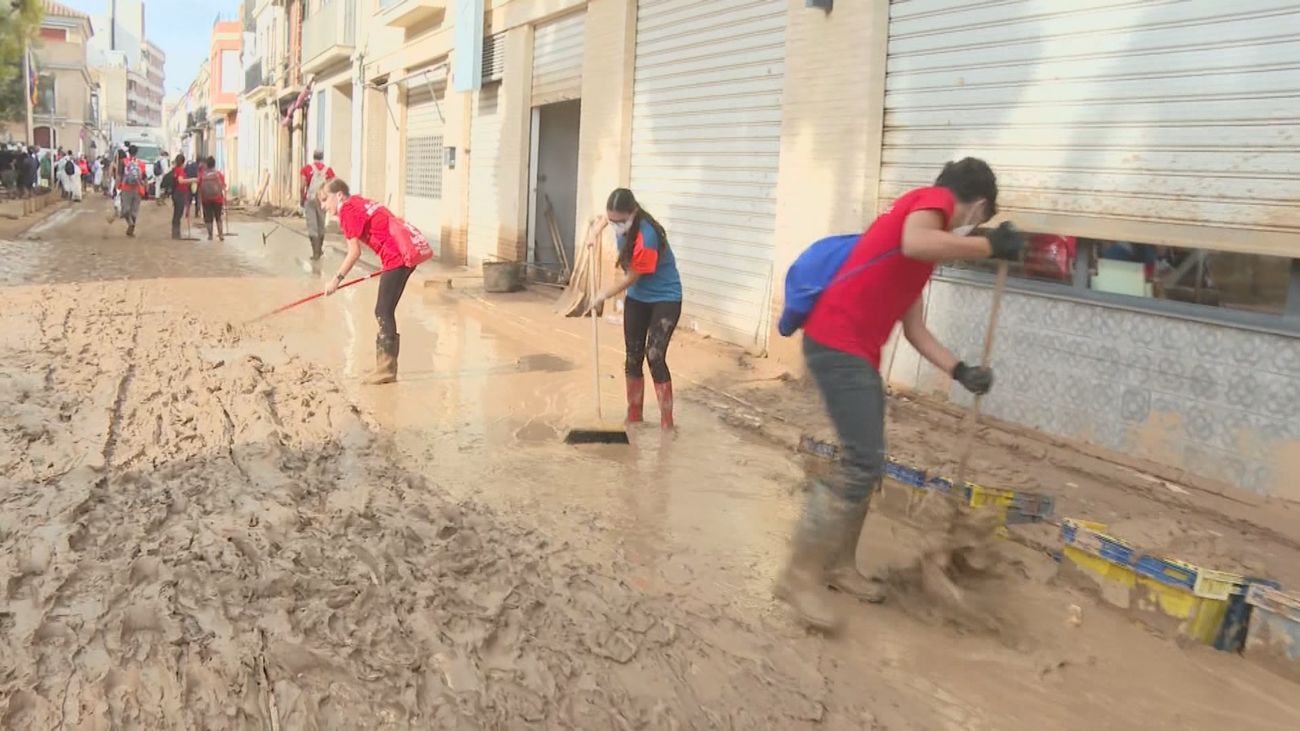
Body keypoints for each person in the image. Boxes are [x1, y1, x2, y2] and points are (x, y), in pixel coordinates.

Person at [773, 158, 1026, 630]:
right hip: (837, 343)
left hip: (855, 351)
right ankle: (800, 574)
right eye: (978, 219)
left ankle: (839, 567)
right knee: (862, 462)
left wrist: (960, 370)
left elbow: (914, 329)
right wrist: (988, 243)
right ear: (976, 205)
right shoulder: (928, 204)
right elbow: (918, 238)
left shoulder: (916, 252)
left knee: (869, 461)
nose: (972, 226)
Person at [587, 188, 684, 429]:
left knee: (655, 356)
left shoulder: (647, 237)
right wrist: (595, 233)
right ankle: (634, 418)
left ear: (633, 213)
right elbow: (605, 217)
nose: (616, 226)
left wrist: (603, 294)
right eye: (613, 221)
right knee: (632, 358)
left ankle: (666, 423)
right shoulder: (616, 219)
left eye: (620, 221)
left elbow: (632, 277)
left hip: (665, 299)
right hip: (638, 300)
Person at [318, 178, 411, 385]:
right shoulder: (359, 202)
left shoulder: (347, 210)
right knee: (386, 310)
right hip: (403, 254)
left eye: (325, 200)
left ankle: (386, 371)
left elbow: (354, 252)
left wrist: (336, 280)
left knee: (382, 311)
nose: (324, 206)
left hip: (396, 256)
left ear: (339, 195)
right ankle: (386, 368)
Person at [301, 150, 335, 259]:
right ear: (322, 157)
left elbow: (302, 185)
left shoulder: (306, 168)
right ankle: (319, 250)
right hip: (322, 200)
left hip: (310, 200)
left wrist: (302, 198)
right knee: (321, 225)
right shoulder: (328, 170)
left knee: (312, 226)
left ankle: (315, 253)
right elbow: (332, 186)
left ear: (313, 156)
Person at [117, 145, 147, 237]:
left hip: (126, 188)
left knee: (125, 209)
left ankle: (130, 223)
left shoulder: (123, 162)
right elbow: (144, 177)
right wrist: (146, 189)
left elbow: (119, 175)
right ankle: (132, 229)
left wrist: (117, 187)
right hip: (137, 188)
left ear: (128, 152)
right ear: (136, 152)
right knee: (134, 210)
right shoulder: (141, 163)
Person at [167, 154, 197, 239]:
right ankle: (176, 234)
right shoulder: (180, 170)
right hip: (179, 193)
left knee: (177, 213)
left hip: (176, 193)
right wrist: (192, 180)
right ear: (183, 161)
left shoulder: (175, 169)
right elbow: (180, 181)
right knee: (178, 214)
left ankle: (175, 233)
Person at [198, 156, 227, 241]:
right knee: (218, 217)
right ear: (214, 164)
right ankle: (220, 235)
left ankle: (210, 235)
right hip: (218, 199)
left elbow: (199, 186)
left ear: (206, 164)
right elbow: (223, 186)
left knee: (208, 218)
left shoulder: (202, 174)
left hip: (206, 199)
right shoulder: (219, 174)